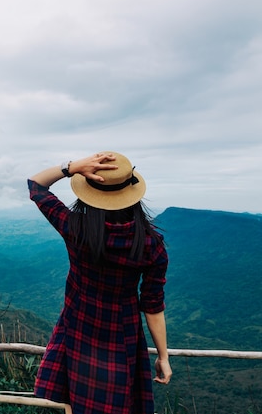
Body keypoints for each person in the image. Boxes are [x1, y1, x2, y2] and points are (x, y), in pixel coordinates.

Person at [29, 151, 171, 414]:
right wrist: (163, 356)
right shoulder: (151, 245)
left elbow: (36, 185)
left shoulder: (75, 229)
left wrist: (71, 167)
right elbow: (152, 306)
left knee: (75, 402)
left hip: (78, 331)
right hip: (123, 339)